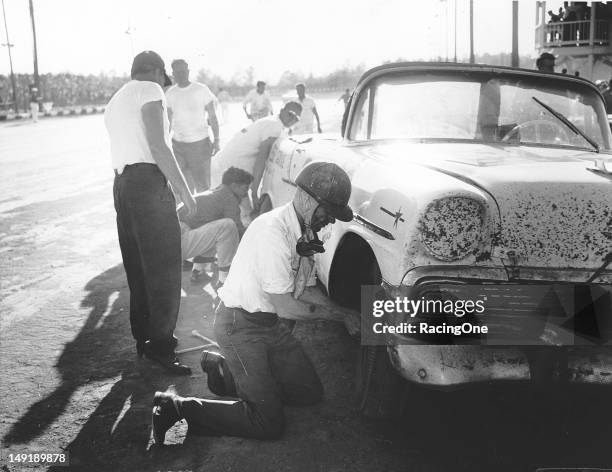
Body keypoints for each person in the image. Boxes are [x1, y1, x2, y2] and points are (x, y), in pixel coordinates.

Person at [151, 161, 360, 444]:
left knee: (308, 393)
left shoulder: (302, 231)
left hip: (269, 325)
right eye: (329, 212)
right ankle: (176, 407)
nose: (331, 220)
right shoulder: (273, 232)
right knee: (267, 422)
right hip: (239, 327)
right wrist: (342, 317)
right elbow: (287, 306)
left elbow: (307, 291)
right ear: (308, 200)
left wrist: (344, 311)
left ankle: (226, 371)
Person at [104, 50, 197, 375]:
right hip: (147, 182)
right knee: (164, 269)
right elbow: (159, 146)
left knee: (138, 268)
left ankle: (144, 340)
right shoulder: (150, 89)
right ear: (157, 72)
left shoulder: (116, 99)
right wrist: (185, 189)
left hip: (122, 185)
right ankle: (161, 346)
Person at [211, 101, 302, 225]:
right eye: (290, 114)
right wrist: (254, 192)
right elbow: (261, 160)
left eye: (297, 117)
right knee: (243, 217)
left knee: (237, 215)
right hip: (226, 169)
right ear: (281, 111)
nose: (293, 119)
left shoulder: (273, 122)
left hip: (224, 165)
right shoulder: (274, 126)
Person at [178, 167, 252, 285]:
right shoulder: (229, 199)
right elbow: (237, 228)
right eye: (245, 188)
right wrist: (253, 239)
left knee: (216, 229)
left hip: (178, 231)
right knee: (228, 228)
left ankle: (198, 270)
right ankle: (225, 281)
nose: (246, 193)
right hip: (179, 234)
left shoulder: (218, 191)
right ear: (234, 186)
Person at [166, 59, 220, 192]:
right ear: (173, 74)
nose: (181, 75)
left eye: (183, 71)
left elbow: (213, 116)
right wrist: (165, 143)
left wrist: (217, 140)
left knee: (203, 187)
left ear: (188, 72)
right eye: (177, 72)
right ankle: (189, 212)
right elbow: (167, 121)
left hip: (200, 145)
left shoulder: (201, 89)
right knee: (183, 188)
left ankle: (205, 213)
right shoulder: (170, 94)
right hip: (178, 146)